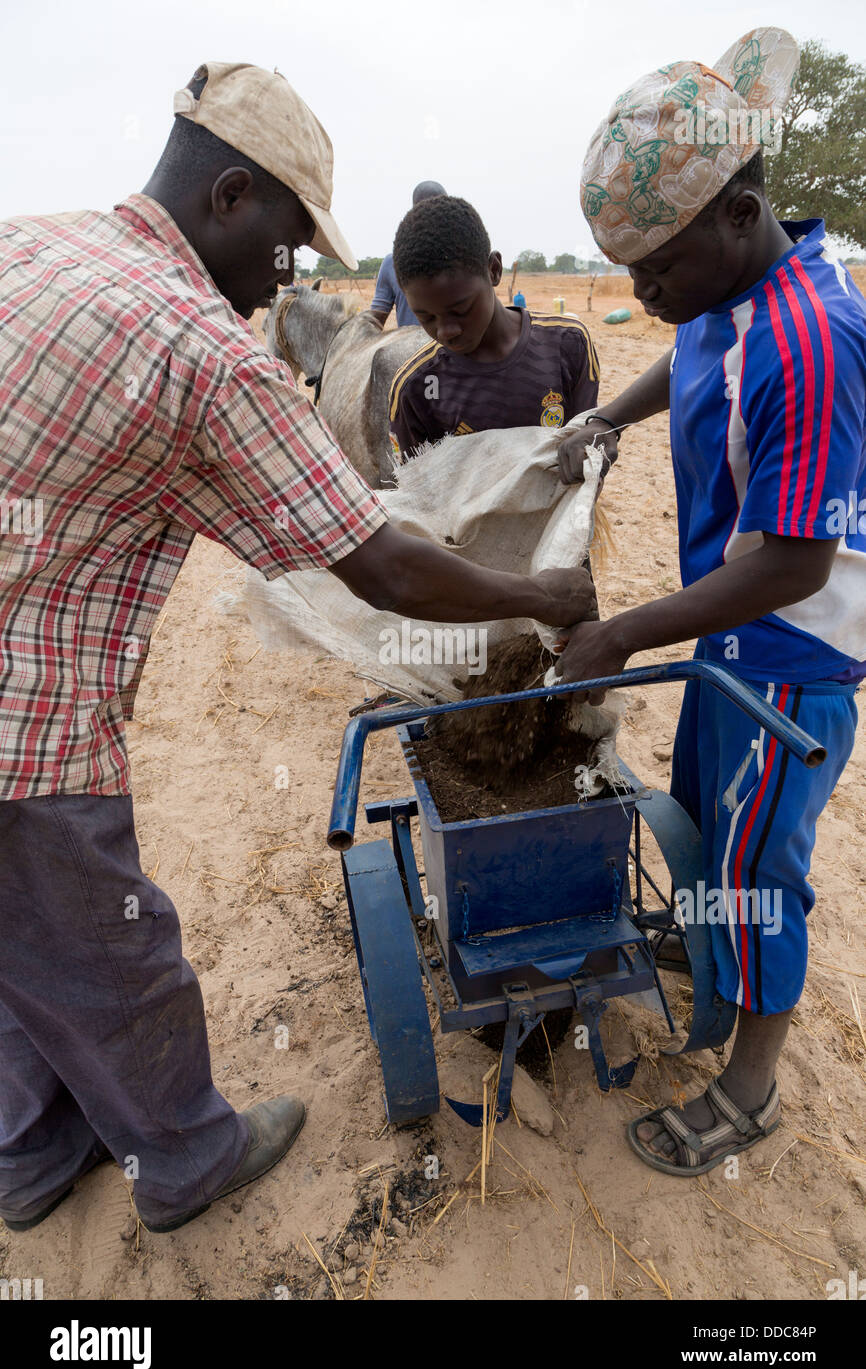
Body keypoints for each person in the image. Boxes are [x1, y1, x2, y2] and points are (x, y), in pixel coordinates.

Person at [0, 63, 597, 1236]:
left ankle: (30, 1152)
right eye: (287, 247)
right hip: (26, 720)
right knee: (114, 954)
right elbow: (377, 562)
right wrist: (537, 595)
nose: (290, 279)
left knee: (21, 947)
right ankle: (182, 1157)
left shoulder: (35, 245)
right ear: (232, 195)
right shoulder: (202, 350)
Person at [556, 27, 865, 1175]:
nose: (640, 297)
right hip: (725, 634)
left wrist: (624, 632)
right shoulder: (729, 288)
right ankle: (711, 949)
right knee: (703, 816)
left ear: (737, 214)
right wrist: (607, 417)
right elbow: (693, 342)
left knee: (756, 870)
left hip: (789, 654)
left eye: (653, 269)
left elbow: (792, 563)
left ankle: (749, 1084)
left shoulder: (809, 338)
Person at [387, 195, 599, 460]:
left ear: (494, 270)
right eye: (426, 318)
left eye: (461, 310)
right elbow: (416, 490)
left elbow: (590, 450)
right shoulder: (416, 386)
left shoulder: (567, 344)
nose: (445, 332)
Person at [370, 180, 446, 327]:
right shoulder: (392, 264)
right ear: (414, 215)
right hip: (409, 350)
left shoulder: (461, 260)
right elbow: (374, 321)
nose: (434, 217)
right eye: (425, 211)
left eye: (441, 211)